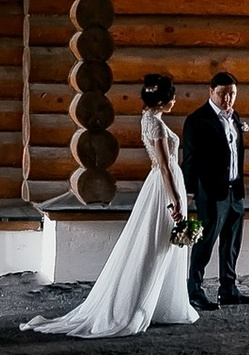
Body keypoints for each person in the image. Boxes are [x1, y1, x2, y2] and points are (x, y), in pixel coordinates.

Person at [20, 73, 199, 339]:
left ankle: (159, 303)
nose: (175, 100)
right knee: (155, 247)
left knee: (160, 246)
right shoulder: (157, 127)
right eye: (172, 96)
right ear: (162, 100)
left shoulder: (148, 119)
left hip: (163, 183)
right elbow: (163, 166)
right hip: (164, 187)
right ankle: (135, 306)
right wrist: (175, 200)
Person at [185, 69, 249, 312]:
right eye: (223, 94)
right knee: (205, 242)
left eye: (232, 94)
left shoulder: (235, 118)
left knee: (232, 243)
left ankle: (228, 289)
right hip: (211, 193)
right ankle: (194, 290)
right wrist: (190, 191)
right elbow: (190, 159)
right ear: (211, 92)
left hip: (235, 190)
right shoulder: (197, 120)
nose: (228, 99)